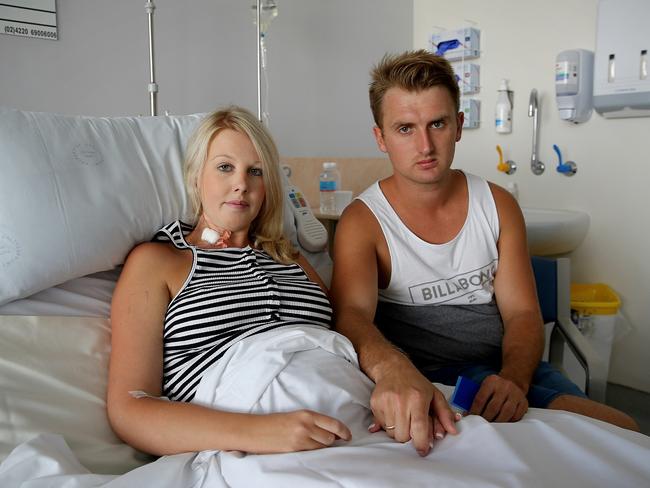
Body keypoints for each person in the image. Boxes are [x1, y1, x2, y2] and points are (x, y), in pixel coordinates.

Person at [330, 49, 639, 457]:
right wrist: (394, 370)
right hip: (428, 379)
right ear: (380, 138)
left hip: (506, 369)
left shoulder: (496, 205)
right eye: (405, 128)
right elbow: (351, 318)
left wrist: (514, 379)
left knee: (624, 430)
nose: (424, 145)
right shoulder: (363, 221)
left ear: (458, 126)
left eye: (437, 123)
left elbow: (523, 314)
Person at [107, 106, 379, 456]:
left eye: (256, 171)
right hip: (256, 441)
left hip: (356, 419)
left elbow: (346, 335)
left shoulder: (290, 258)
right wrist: (262, 432)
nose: (241, 184)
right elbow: (130, 409)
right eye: (225, 167)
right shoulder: (160, 262)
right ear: (195, 176)